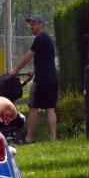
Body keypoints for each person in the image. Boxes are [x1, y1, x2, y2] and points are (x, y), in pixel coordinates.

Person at [11, 13, 58, 141]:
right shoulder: (47, 39)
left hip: (42, 80)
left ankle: (29, 137)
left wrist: (15, 71)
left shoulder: (39, 38)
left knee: (33, 107)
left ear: (41, 25)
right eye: (30, 24)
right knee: (50, 107)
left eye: (33, 24)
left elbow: (28, 57)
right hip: (52, 78)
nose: (31, 26)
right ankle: (53, 137)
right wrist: (34, 70)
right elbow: (45, 60)